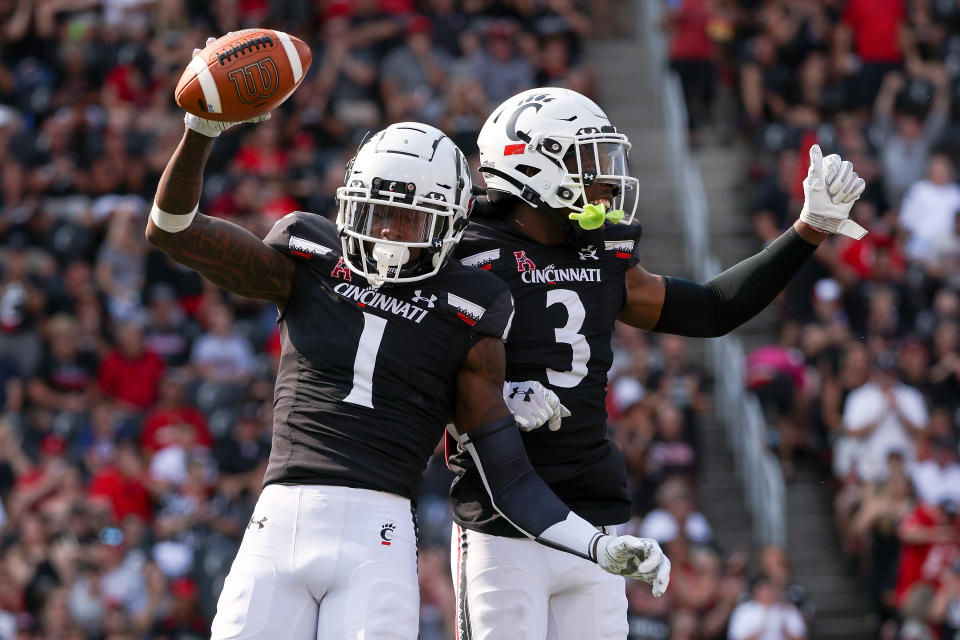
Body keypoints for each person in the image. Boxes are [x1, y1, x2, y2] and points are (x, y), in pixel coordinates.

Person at [146, 60, 671, 636]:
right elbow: (172, 230)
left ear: (449, 223)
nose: (388, 234)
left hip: (381, 534)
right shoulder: (310, 256)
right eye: (377, 213)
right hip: (282, 518)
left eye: (409, 219)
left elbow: (512, 482)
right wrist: (200, 132)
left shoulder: (470, 304)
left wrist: (595, 546)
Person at [448, 86, 867, 639]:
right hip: (500, 520)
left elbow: (715, 309)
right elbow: (415, 373)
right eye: (584, 161)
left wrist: (807, 231)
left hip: (592, 514)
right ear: (532, 164)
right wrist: (494, 400)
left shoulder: (605, 253)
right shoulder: (467, 255)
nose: (602, 176)